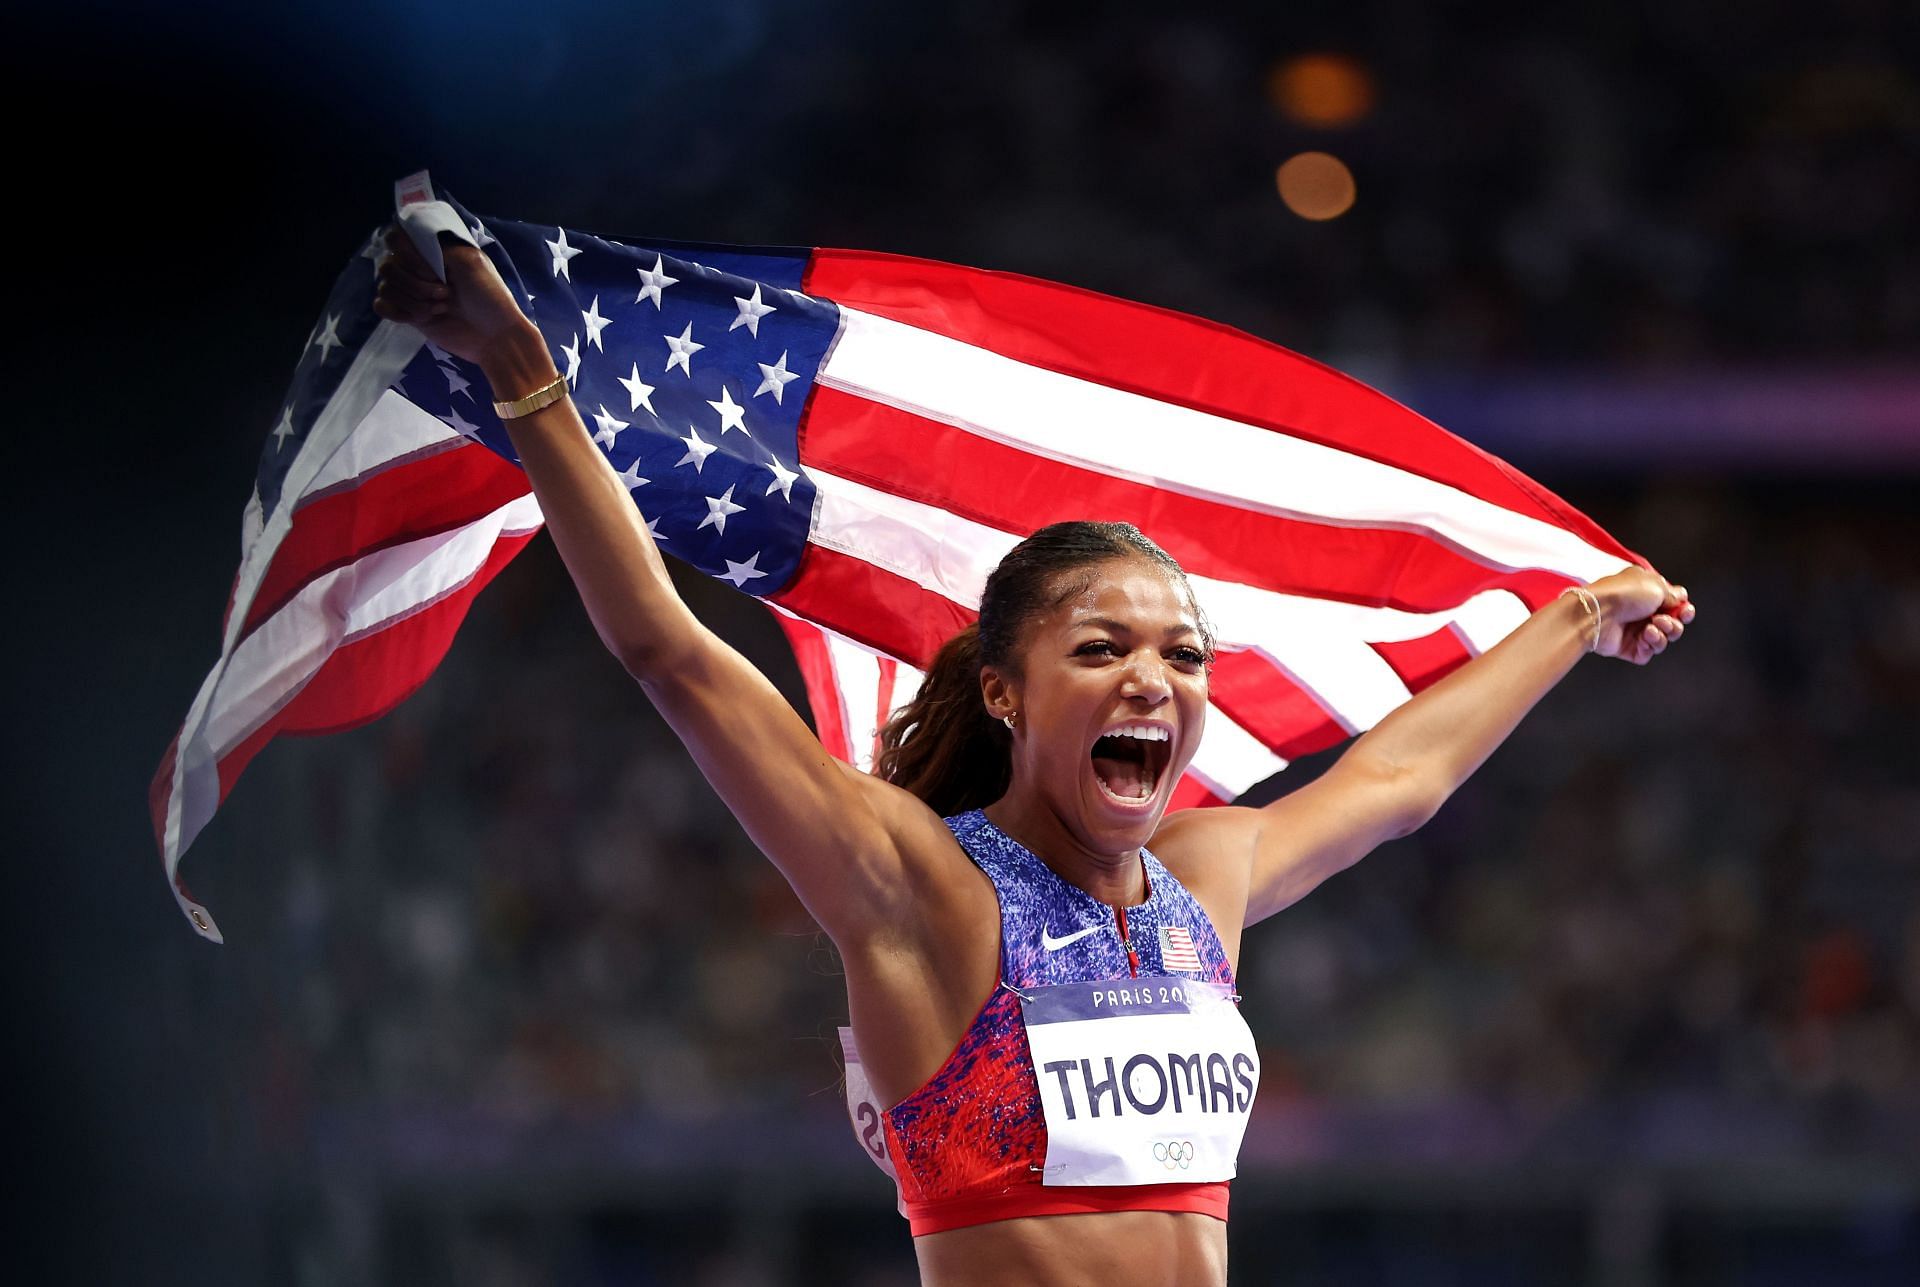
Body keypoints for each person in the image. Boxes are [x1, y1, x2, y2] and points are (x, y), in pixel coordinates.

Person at [373, 229, 1694, 1286]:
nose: (1154, 678)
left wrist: (1575, 615)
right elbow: (675, 657)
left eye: (1182, 656)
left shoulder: (1202, 876)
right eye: (1104, 648)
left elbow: (1398, 786)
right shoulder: (919, 887)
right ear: (1005, 690)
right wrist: (525, 381)